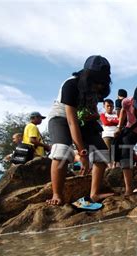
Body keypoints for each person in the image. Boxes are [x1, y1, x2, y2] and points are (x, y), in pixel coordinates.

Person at [47, 55, 113, 205]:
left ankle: (94, 194)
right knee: (62, 150)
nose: (99, 85)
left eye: (101, 82)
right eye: (96, 81)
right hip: (62, 117)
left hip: (83, 120)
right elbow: (71, 122)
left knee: (102, 153)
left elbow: (94, 112)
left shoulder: (99, 88)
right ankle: (57, 194)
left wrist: (93, 115)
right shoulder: (70, 85)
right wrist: (82, 152)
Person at [100, 99, 119, 168]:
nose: (109, 107)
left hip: (116, 136)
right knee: (107, 153)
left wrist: (111, 121)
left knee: (115, 153)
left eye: (111, 106)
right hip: (106, 136)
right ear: (104, 106)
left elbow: (120, 122)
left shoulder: (117, 115)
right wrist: (115, 121)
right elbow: (106, 122)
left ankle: (114, 167)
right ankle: (108, 168)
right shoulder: (102, 115)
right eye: (107, 106)